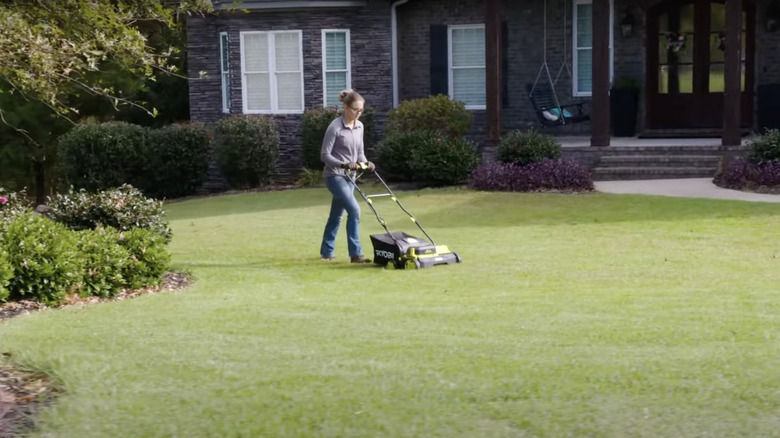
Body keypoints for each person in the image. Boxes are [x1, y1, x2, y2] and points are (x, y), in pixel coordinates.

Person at [319, 89, 375, 263]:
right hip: (334, 176)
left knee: (336, 214)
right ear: (345, 107)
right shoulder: (335, 127)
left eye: (361, 111)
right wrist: (342, 164)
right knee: (355, 210)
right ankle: (356, 254)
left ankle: (326, 252)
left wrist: (367, 163)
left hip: (351, 177)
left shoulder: (360, 126)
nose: (358, 113)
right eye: (355, 110)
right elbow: (325, 155)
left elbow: (360, 153)